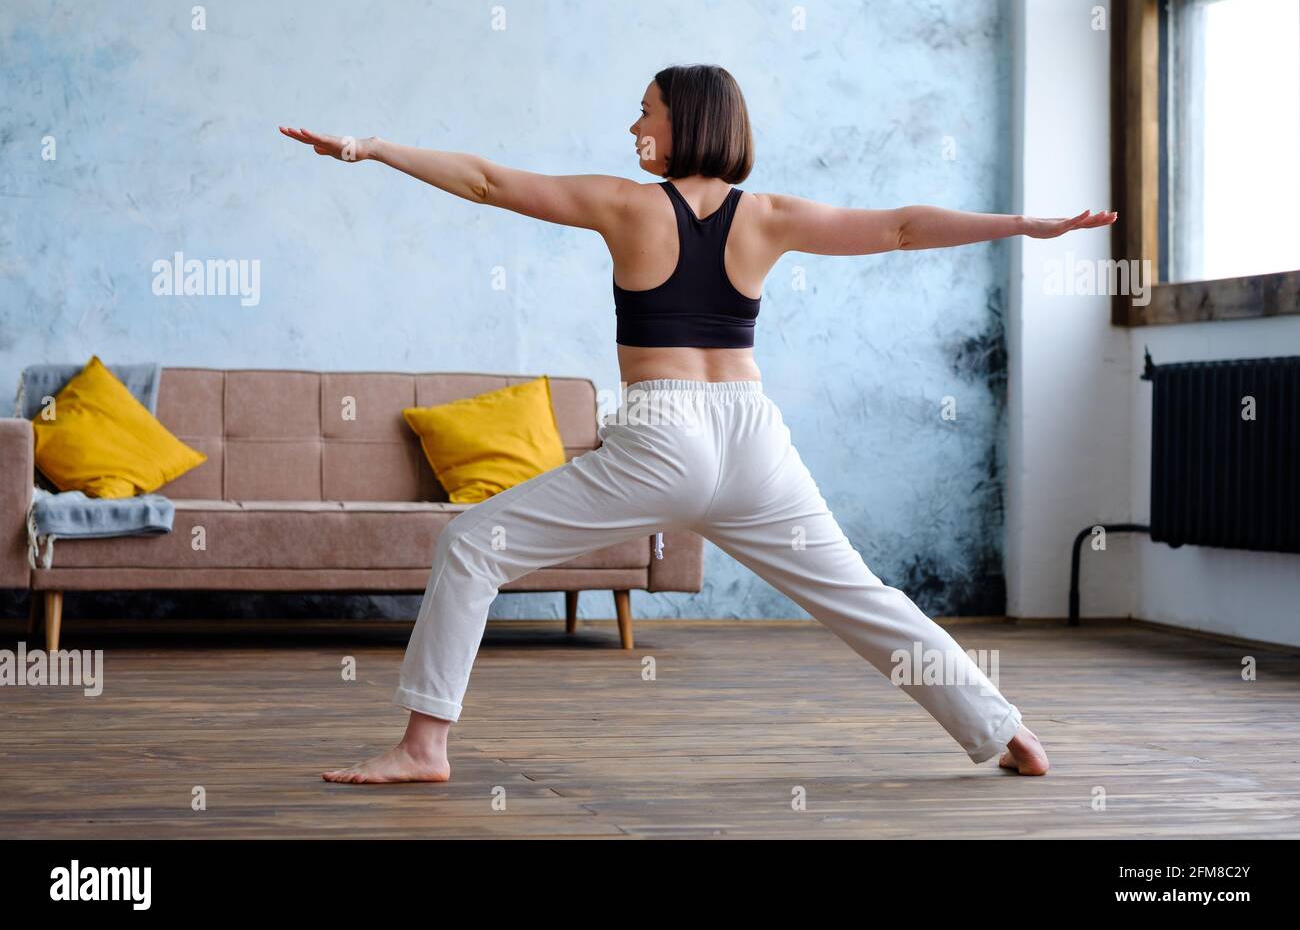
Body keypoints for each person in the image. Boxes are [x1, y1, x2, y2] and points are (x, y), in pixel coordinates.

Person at [282, 63, 1113, 783]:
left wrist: (378, 148)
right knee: (864, 597)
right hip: (754, 441)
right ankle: (1006, 729)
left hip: (661, 435)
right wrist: (1026, 227)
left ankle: (426, 746)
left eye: (646, 110)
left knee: (471, 545)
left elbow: (490, 181)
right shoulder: (771, 215)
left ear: (686, 122)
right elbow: (901, 226)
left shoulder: (626, 206)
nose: (634, 124)